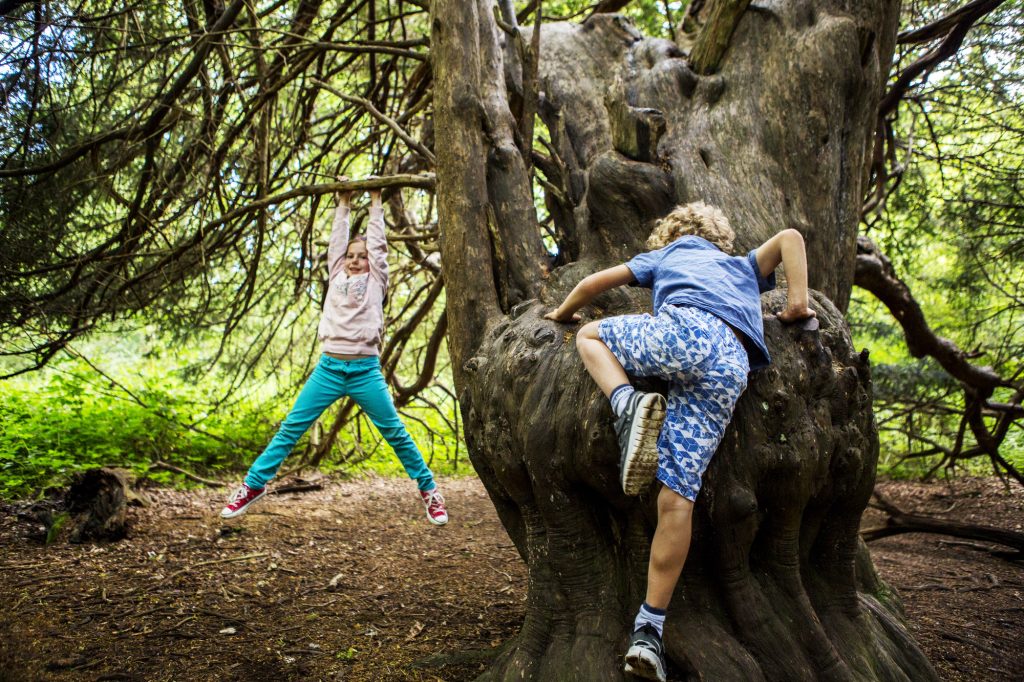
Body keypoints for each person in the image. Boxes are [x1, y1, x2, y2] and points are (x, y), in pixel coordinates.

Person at [544, 202, 813, 681]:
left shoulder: (667, 255)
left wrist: (561, 312)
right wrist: (796, 305)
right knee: (677, 497)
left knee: (589, 337)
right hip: (732, 364)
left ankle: (627, 404)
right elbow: (791, 236)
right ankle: (649, 632)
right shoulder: (742, 265)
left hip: (682, 335)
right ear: (720, 237)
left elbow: (590, 287)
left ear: (670, 235)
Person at [221, 182, 448, 525]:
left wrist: (374, 204)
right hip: (328, 369)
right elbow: (337, 245)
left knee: (395, 433)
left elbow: (379, 246)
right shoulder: (335, 274)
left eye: (363, 256)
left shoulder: (376, 280)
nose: (357, 260)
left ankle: (429, 491)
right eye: (352, 256)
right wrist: (343, 203)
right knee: (290, 429)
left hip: (365, 371)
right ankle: (253, 485)